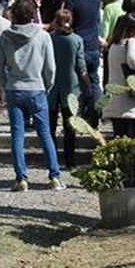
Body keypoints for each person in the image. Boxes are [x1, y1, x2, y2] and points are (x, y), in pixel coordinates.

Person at [0, 0, 65, 191]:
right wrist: (47, 85)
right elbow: (50, 67)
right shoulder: (43, 36)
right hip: (37, 87)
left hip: (14, 87)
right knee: (45, 133)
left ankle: (21, 178)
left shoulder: (5, 36)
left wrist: (5, 83)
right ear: (33, 14)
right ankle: (54, 176)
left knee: (17, 134)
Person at [63, 0, 104, 126]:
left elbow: (68, 22)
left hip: (77, 46)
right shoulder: (96, 0)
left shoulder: (72, 0)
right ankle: (95, 114)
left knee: (75, 83)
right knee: (93, 81)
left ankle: (75, 117)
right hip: (93, 46)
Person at [104, 17, 135, 140]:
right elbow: (133, 63)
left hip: (116, 103)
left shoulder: (114, 45)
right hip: (133, 105)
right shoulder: (131, 41)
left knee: (122, 143)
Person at [49, 9, 87, 170]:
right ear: (71, 21)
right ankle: (70, 161)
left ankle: (51, 158)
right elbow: (81, 66)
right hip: (71, 85)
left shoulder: (49, 38)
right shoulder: (77, 40)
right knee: (70, 125)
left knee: (50, 125)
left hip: (50, 84)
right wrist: (88, 85)